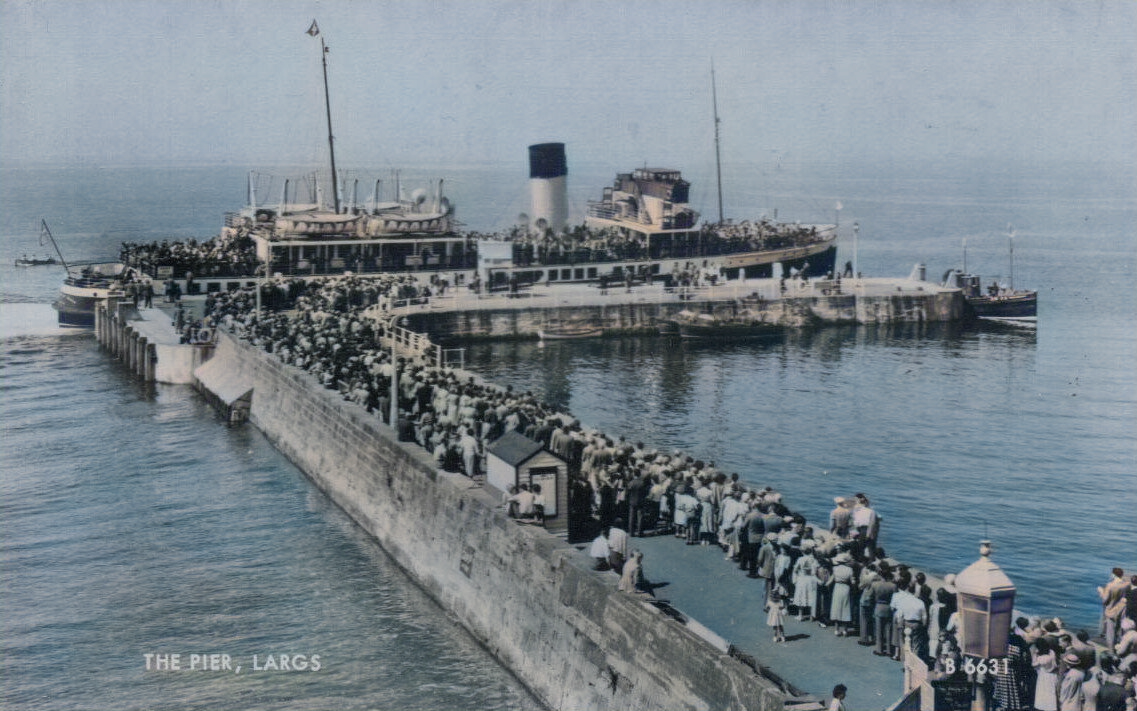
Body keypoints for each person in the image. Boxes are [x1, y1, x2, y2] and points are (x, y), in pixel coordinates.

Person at [1098, 568, 1130, 647]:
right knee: (1118, 630)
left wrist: (1101, 591)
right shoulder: (1126, 585)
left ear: (1113, 574)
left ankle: (1111, 652)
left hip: (1111, 611)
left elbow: (1105, 600)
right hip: (1121, 610)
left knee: (1110, 633)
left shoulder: (1110, 585)